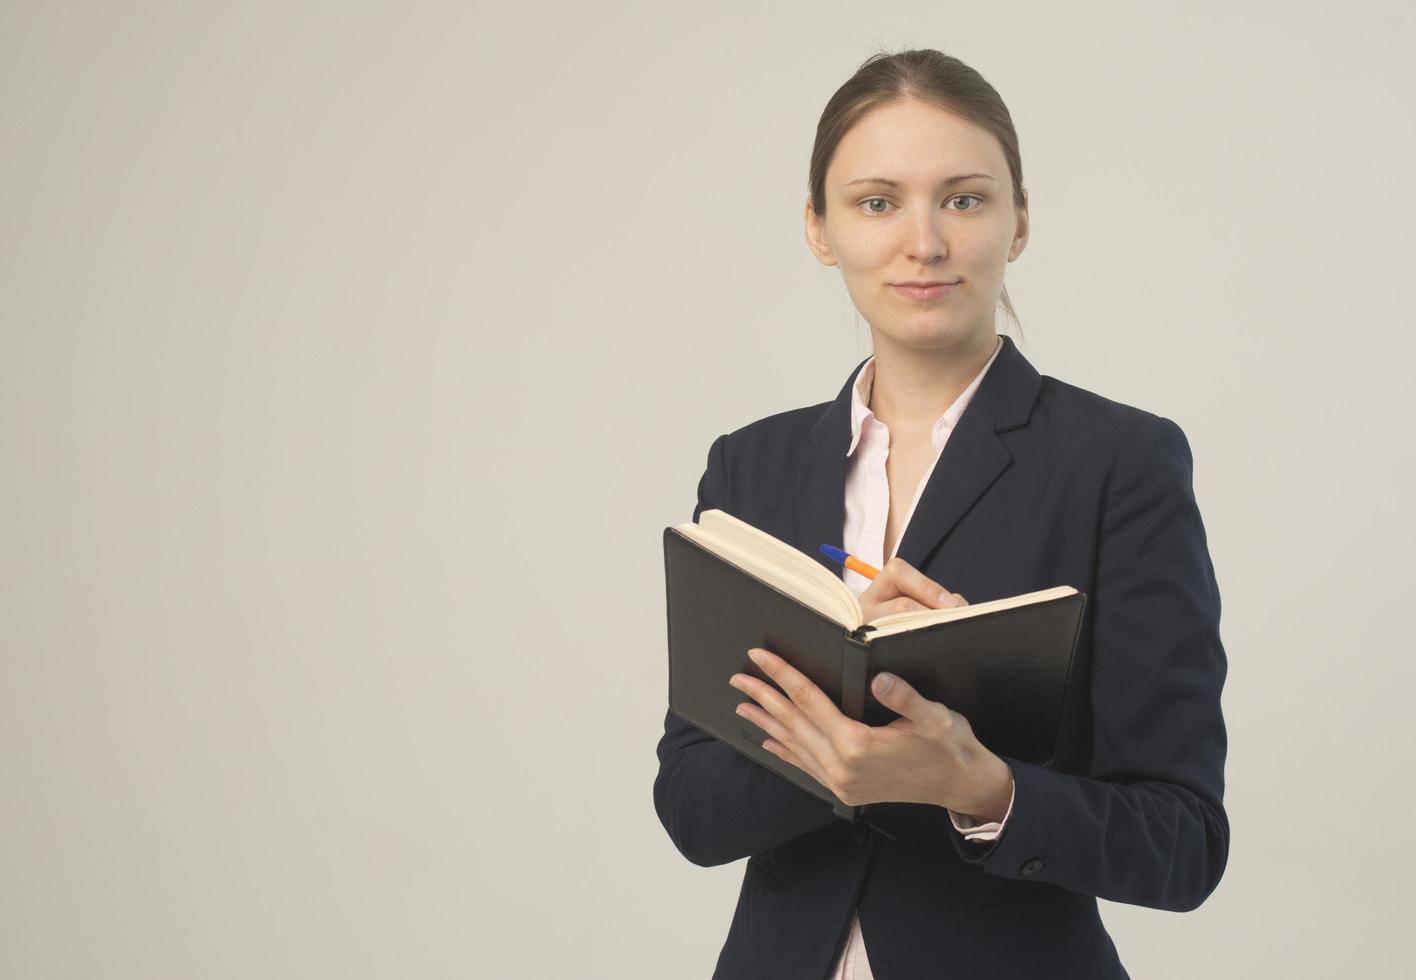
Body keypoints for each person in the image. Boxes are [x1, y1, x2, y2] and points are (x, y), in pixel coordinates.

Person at [652, 48, 1228, 980]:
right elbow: (692, 808)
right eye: (876, 201)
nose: (924, 242)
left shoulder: (1120, 463)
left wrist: (976, 786)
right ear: (819, 228)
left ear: (1020, 221)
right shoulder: (749, 467)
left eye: (963, 199)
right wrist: (834, 753)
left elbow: (1186, 839)